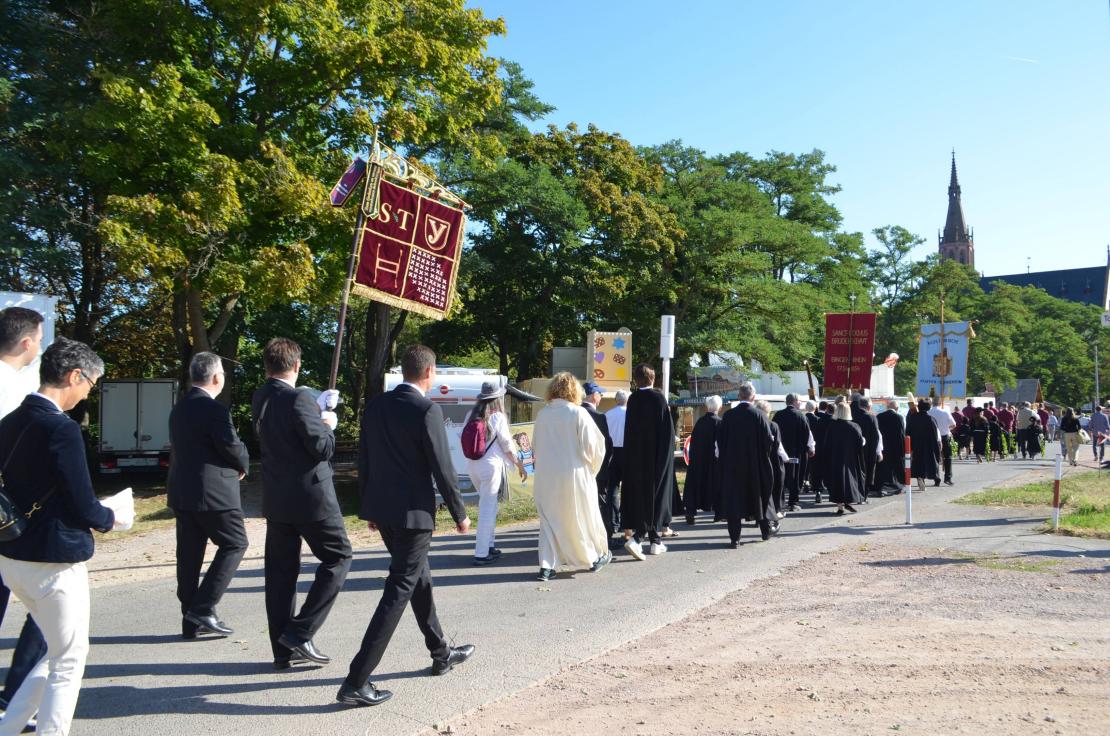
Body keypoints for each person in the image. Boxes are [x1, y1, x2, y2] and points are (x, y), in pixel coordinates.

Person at [338, 345, 474, 707]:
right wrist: (460, 512)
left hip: (385, 512)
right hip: (413, 515)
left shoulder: (377, 405)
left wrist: (370, 507)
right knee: (400, 588)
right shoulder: (426, 409)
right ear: (429, 373)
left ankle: (441, 652)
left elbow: (364, 458)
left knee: (418, 579)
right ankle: (357, 679)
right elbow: (441, 465)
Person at [0, 338, 122, 735]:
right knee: (68, 661)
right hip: (53, 560)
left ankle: (10, 726)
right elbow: (83, 505)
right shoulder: (62, 429)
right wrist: (113, 517)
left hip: (12, 555)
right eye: (91, 383)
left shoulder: (10, 422)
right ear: (74, 376)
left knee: (55, 655)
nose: (89, 391)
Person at [251, 337, 352, 670]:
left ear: (268, 365)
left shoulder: (261, 396)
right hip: (311, 498)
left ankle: (283, 651)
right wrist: (327, 423)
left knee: (280, 576)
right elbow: (321, 448)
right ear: (295, 366)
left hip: (278, 499)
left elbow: (289, 433)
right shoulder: (297, 400)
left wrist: (317, 407)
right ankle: (299, 632)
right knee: (338, 557)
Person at [167, 352, 250, 640]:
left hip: (182, 491)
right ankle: (203, 607)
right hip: (214, 494)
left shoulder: (180, 408)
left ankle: (189, 621)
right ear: (217, 377)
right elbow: (231, 445)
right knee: (235, 543)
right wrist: (243, 464)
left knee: (188, 556)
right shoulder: (214, 410)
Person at [0, 307, 47, 714]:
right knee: (46, 606)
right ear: (27, 341)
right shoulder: (16, 392)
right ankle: (16, 696)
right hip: (13, 515)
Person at [531, 373, 612, 581]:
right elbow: (594, 447)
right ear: (575, 391)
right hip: (574, 473)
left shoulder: (543, 414)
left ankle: (547, 566)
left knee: (549, 520)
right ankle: (592, 558)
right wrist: (591, 471)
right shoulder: (578, 413)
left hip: (546, 475)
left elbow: (535, 446)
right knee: (581, 516)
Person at [465, 383, 526, 566]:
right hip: (491, 467)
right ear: (497, 398)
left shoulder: (471, 415)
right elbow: (507, 445)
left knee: (489, 507)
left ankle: (489, 546)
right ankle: (482, 553)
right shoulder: (497, 416)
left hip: (472, 466)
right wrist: (520, 465)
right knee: (487, 509)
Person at [620, 364, 674, 560]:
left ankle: (655, 541)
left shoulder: (633, 399)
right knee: (655, 497)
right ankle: (638, 538)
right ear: (653, 378)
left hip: (635, 457)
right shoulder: (658, 398)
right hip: (655, 457)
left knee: (642, 497)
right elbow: (666, 432)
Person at [716, 384, 777, 546]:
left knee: (734, 501)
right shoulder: (760, 415)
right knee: (759, 497)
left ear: (739, 396)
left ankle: (734, 538)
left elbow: (720, 441)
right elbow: (768, 441)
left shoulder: (728, 416)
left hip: (732, 466)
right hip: (754, 466)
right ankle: (765, 530)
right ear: (753, 397)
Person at [580, 381, 614, 539]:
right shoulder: (598, 417)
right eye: (600, 394)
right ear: (594, 396)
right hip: (597, 468)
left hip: (577, 468)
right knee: (600, 503)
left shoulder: (574, 414)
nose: (601, 397)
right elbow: (606, 444)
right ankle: (605, 537)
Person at [683, 396, 722, 524]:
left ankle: (690, 512)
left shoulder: (700, 422)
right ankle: (718, 513)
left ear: (706, 407)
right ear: (720, 407)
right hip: (713, 461)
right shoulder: (720, 423)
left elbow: (693, 441)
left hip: (698, 459)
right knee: (715, 485)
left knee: (695, 486)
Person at [823, 398, 865, 515]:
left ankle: (840, 506)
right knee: (850, 480)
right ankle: (848, 501)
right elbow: (860, 443)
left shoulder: (832, 426)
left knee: (837, 481)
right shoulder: (854, 426)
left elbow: (827, 443)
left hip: (835, 458)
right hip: (850, 458)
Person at [773, 394, 814, 512]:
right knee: (796, 477)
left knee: (781, 476)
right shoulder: (801, 416)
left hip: (781, 452)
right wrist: (809, 448)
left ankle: (779, 503)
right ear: (795, 401)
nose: (800, 403)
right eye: (800, 401)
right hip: (798, 452)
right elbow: (807, 434)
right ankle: (793, 502)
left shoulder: (778, 415)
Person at [602, 390, 628, 545]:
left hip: (611, 452)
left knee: (612, 487)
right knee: (629, 488)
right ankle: (627, 523)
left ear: (615, 400)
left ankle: (613, 522)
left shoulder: (607, 414)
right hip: (628, 451)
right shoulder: (631, 414)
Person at [850, 395, 882, 500]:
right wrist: (878, 451)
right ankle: (865, 495)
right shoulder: (871, 417)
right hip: (869, 449)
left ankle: (857, 493)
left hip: (854, 448)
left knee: (856, 471)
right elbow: (876, 436)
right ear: (868, 406)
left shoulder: (852, 416)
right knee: (868, 471)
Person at [907, 398, 941, 492]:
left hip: (916, 444)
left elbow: (908, 431)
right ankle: (929, 477)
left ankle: (919, 477)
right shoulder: (931, 419)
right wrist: (937, 446)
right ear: (928, 408)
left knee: (918, 462)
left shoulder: (913, 418)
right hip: (929, 444)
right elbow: (935, 434)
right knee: (929, 462)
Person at [875, 400, 906, 494]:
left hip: (883, 446)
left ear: (887, 407)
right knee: (896, 467)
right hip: (895, 446)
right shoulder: (899, 417)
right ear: (896, 408)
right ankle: (897, 484)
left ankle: (881, 485)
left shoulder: (879, 416)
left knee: (883, 467)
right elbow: (901, 434)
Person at [927, 402, 957, 485]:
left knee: (935, 458)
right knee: (948, 458)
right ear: (940, 403)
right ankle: (948, 477)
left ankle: (936, 478)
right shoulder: (945, 412)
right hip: (944, 436)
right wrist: (947, 428)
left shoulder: (928, 412)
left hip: (933, 438)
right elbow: (954, 424)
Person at [810, 400, 832, 503]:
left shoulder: (819, 420)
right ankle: (831, 491)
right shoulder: (834, 422)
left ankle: (818, 491)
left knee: (817, 471)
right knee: (829, 471)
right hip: (829, 449)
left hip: (819, 448)